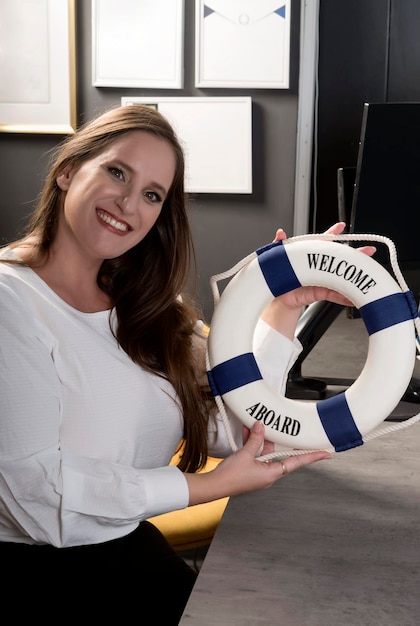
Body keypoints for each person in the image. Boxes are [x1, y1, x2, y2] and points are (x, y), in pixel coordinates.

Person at [0, 104, 374, 623]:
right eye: (116, 172)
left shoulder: (151, 307)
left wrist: (281, 308)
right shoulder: (11, 301)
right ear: (67, 170)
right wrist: (216, 486)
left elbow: (233, 426)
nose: (129, 203)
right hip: (36, 573)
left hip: (123, 549)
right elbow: (37, 494)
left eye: (153, 194)